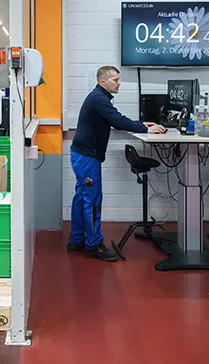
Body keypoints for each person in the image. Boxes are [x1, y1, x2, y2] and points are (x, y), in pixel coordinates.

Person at [69, 65, 165, 261]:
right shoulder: (98, 98)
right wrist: (145, 129)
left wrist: (140, 125)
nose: (119, 83)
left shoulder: (100, 98)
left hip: (83, 154)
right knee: (92, 200)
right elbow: (116, 119)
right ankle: (93, 244)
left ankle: (76, 239)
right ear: (103, 81)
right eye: (115, 79)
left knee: (82, 197)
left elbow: (114, 118)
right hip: (87, 157)